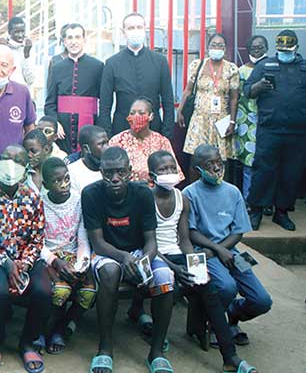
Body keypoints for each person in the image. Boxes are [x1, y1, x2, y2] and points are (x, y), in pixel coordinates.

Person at [145, 150, 258, 373]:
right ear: (152, 175)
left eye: (171, 168)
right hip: (155, 256)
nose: (169, 173)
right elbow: (146, 243)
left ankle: (230, 357)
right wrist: (175, 268)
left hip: (178, 254)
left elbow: (185, 240)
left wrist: (194, 264)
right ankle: (156, 352)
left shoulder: (182, 199)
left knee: (210, 290)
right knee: (169, 288)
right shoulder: (145, 200)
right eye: (162, 170)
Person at [82, 147, 175, 373]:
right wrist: (124, 258)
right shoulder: (91, 194)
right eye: (108, 174)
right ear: (100, 171)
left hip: (137, 252)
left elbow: (151, 240)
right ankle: (105, 347)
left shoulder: (143, 193)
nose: (115, 179)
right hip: (108, 253)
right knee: (110, 273)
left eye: (121, 173)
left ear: (130, 172)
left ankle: (156, 352)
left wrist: (143, 261)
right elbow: (97, 242)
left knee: (165, 276)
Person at [183, 144, 271, 350]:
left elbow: (238, 231)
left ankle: (231, 315)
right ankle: (215, 324)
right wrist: (217, 250)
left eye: (219, 162)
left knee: (261, 300)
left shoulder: (233, 192)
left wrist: (222, 249)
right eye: (209, 164)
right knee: (226, 287)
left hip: (229, 250)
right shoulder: (189, 193)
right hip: (202, 252)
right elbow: (190, 232)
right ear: (198, 169)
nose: (216, 168)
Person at [0, 148, 49, 373]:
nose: (11, 164)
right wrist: (6, 262)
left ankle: (27, 342)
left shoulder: (34, 198)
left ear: (26, 167)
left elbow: (38, 239)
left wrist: (24, 263)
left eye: (18, 160)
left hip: (26, 259)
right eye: (6, 158)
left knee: (44, 291)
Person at [243, 29, 306, 231]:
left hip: (297, 131)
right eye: (281, 50)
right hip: (270, 129)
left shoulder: (304, 67)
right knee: (263, 171)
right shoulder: (265, 65)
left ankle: (282, 212)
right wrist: (259, 86)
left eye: (288, 49)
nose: (285, 53)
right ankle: (257, 212)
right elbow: (247, 92)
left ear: (296, 48)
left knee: (291, 173)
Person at [39, 157, 95, 355]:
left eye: (66, 179)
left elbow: (82, 238)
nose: (64, 185)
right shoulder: (39, 203)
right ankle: (49, 331)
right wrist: (55, 261)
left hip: (73, 254)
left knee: (88, 292)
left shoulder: (79, 200)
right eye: (57, 181)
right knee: (60, 291)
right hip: (49, 257)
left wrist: (82, 263)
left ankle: (67, 324)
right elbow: (38, 243)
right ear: (45, 184)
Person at [99, 13, 175, 139]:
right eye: (131, 28)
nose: (135, 31)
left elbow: (168, 102)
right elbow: (105, 104)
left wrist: (166, 136)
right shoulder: (112, 63)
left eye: (139, 27)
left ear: (145, 29)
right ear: (124, 32)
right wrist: (108, 135)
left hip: (153, 131)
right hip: (121, 131)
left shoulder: (159, 61)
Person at [180, 33, 240, 171]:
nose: (217, 48)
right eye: (214, 45)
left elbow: (234, 98)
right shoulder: (197, 65)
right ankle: (194, 190)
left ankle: (220, 189)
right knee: (196, 158)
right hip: (199, 119)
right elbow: (188, 90)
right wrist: (180, 111)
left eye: (220, 45)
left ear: (225, 48)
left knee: (220, 160)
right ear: (208, 47)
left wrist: (232, 121)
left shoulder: (232, 69)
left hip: (221, 121)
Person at [44, 23, 104, 152]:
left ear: (84, 40)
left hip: (89, 124)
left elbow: (104, 101)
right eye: (69, 38)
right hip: (63, 129)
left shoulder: (97, 66)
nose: (73, 42)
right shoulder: (57, 68)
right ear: (64, 42)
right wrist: (55, 123)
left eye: (77, 37)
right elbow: (49, 103)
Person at [108, 98, 184, 183]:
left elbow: (175, 174)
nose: (136, 116)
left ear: (151, 116)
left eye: (141, 113)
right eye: (132, 113)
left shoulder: (161, 142)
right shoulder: (116, 141)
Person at [234, 35, 268, 200]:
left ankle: (265, 201)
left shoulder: (272, 67)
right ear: (248, 50)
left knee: (267, 164)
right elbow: (236, 97)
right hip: (246, 122)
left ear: (267, 48)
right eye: (254, 48)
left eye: (260, 47)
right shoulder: (240, 71)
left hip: (267, 121)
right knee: (249, 165)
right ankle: (248, 199)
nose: (257, 50)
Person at [68, 125, 109, 192]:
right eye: (101, 144)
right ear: (86, 148)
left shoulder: (111, 168)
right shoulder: (72, 173)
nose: (107, 147)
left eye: (107, 143)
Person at [0, 16, 36, 87]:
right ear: (9, 32)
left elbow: (31, 80)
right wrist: (2, 50)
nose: (20, 35)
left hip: (21, 93)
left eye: (22, 31)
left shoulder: (29, 47)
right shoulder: (1, 45)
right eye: (17, 32)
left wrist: (26, 55)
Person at [22, 129, 52, 193]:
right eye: (26, 151)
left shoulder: (54, 171)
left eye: (34, 151)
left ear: (46, 149)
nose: (29, 155)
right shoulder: (23, 174)